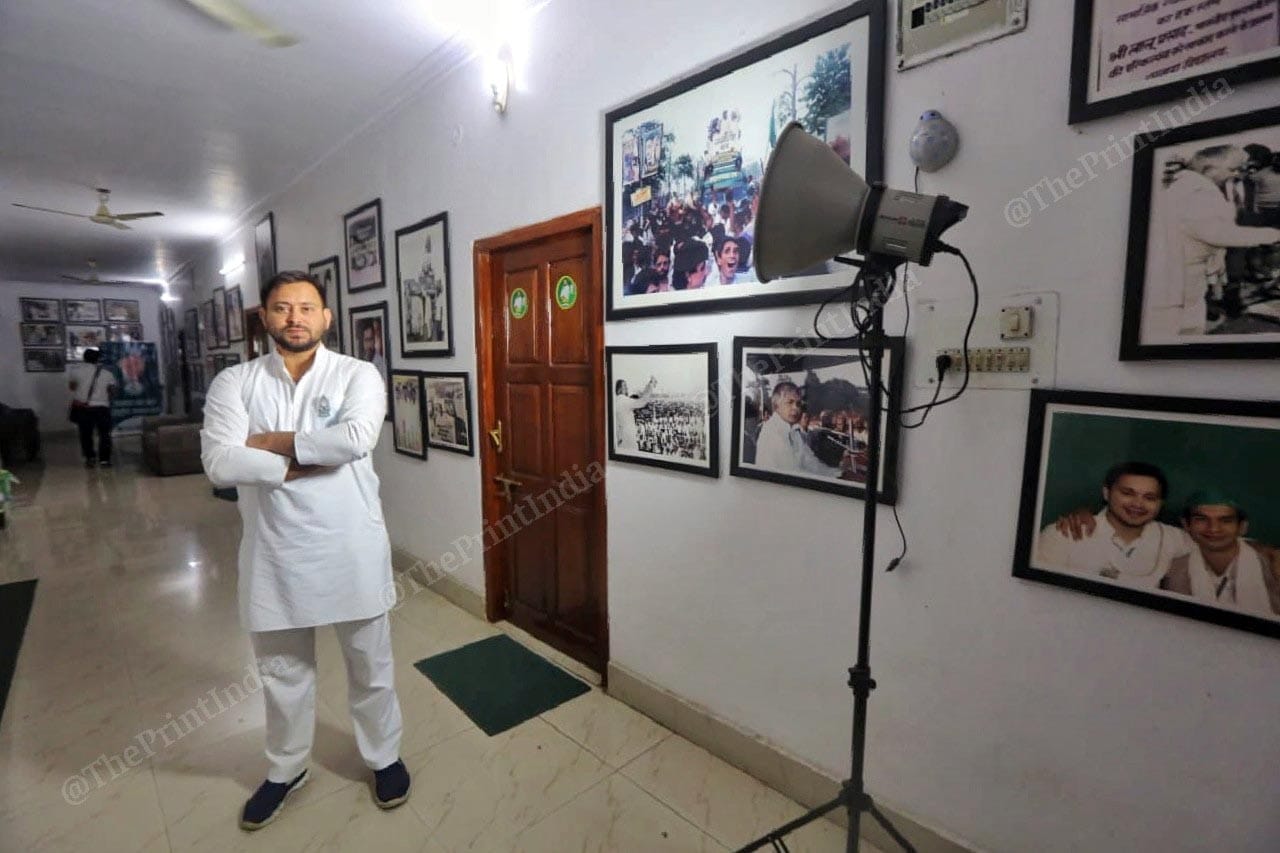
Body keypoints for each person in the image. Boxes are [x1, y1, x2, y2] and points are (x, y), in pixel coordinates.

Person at [201, 271, 410, 830]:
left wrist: (267, 446)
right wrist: (306, 458)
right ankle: (286, 767)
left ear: (326, 317)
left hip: (351, 548)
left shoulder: (357, 374)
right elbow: (220, 463)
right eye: (282, 308)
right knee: (283, 673)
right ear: (265, 318)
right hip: (273, 554)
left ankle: (384, 757)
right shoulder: (234, 383)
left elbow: (357, 438)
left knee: (371, 666)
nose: (295, 317)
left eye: (307, 307)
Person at [1146, 145, 1280, 340]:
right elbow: (1219, 234)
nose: (1235, 175)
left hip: (1180, 274)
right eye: (1232, 169)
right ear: (1209, 169)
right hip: (1182, 279)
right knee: (1183, 333)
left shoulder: (1185, 186)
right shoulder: (1199, 191)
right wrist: (1274, 235)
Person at [1034, 462, 1187, 588]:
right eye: (1127, 493)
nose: (1138, 504)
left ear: (1160, 504)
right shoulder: (1063, 533)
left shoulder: (1175, 539)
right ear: (1106, 493)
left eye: (1149, 497)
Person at [1159, 491, 1280, 617]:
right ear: (1186, 525)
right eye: (1201, 519)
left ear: (1242, 527)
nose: (1213, 528)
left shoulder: (1273, 566)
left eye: (1226, 520)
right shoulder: (1174, 571)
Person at [753, 381, 850, 477]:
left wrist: (838, 474)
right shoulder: (772, 433)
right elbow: (794, 473)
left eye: (798, 403)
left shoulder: (794, 431)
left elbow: (810, 462)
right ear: (776, 406)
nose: (795, 408)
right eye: (790, 402)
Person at [68, 348, 117, 468]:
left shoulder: (76, 371)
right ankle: (104, 460)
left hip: (83, 408)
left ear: (84, 358)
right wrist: (103, 397)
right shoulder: (107, 373)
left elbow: (72, 387)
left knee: (85, 434)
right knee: (105, 434)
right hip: (102, 407)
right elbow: (112, 391)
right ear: (98, 359)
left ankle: (90, 458)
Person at [614, 377, 656, 451]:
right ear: (619, 389)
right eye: (625, 386)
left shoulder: (616, 401)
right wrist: (651, 386)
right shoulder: (623, 400)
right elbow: (642, 401)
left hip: (620, 438)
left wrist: (648, 386)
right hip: (628, 438)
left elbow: (641, 396)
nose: (627, 388)